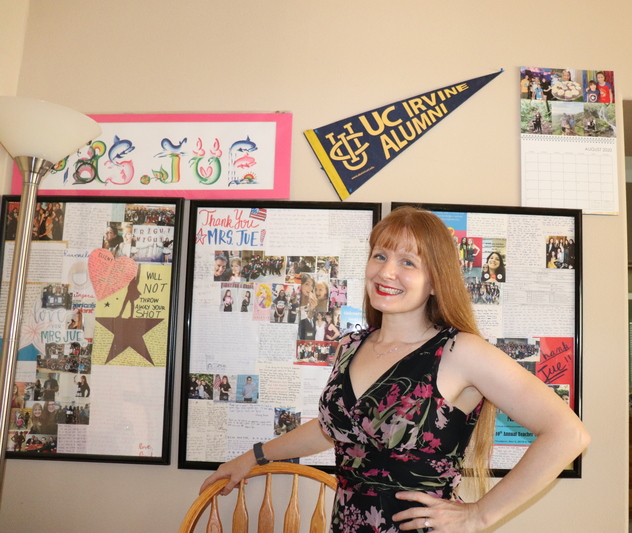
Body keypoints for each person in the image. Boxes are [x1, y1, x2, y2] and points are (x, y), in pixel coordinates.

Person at [201, 206, 589, 533]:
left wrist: (477, 515)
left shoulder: (459, 350)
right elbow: (331, 429)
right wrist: (252, 457)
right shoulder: (351, 346)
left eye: (408, 262)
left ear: (436, 281)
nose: (387, 273)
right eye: (380, 256)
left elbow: (568, 433)